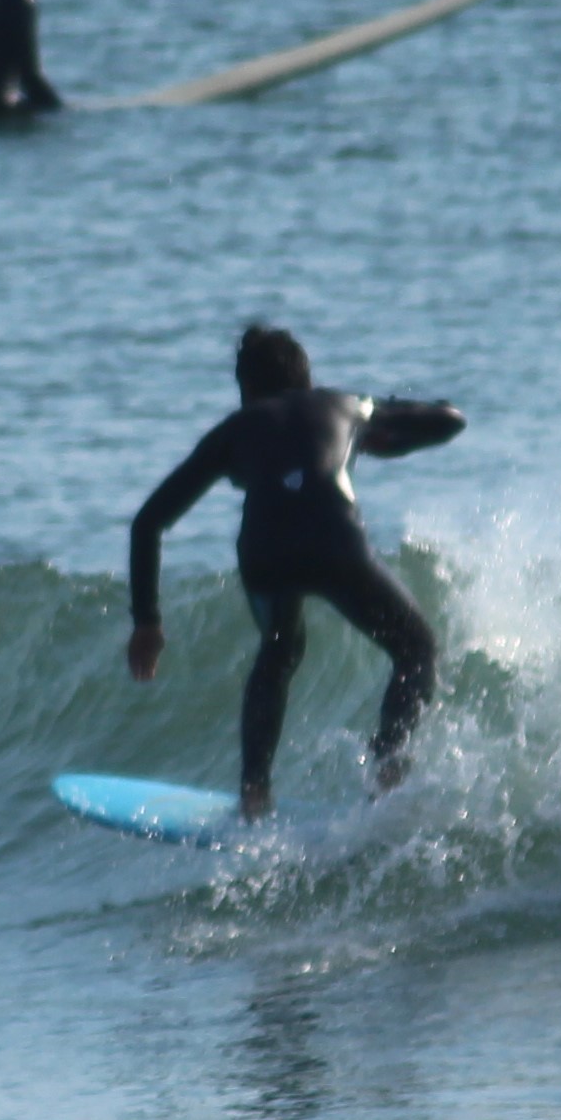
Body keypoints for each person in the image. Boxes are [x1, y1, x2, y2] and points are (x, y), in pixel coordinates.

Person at [125, 322, 467, 816]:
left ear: (247, 388)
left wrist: (147, 621)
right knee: (417, 650)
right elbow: (450, 420)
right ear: (307, 379)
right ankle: (387, 775)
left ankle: (254, 793)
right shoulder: (347, 406)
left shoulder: (231, 431)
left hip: (265, 551)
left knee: (279, 651)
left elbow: (148, 523)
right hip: (335, 540)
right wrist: (376, 435)